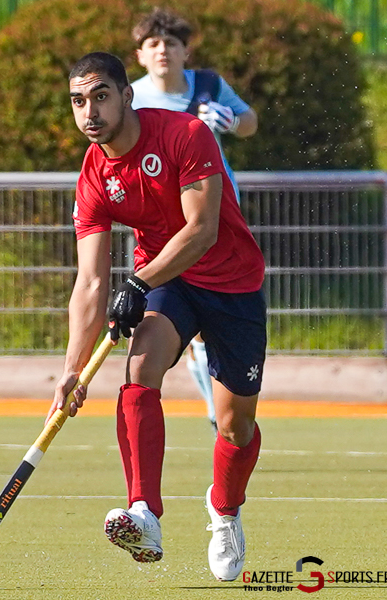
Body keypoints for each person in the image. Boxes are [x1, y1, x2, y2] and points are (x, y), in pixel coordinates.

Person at [54, 51, 266, 581]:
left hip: (233, 283)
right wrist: (73, 370)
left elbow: (202, 229)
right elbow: (90, 281)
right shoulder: (94, 175)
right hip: (171, 284)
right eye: (79, 101)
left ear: (128, 97)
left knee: (236, 426)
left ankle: (224, 507)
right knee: (138, 369)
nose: (90, 112)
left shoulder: (186, 134)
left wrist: (138, 283)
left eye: (100, 96)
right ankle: (145, 513)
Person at [129, 7, 259, 431]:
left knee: (212, 322)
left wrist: (231, 120)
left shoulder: (208, 85)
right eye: (153, 44)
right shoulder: (131, 98)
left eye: (171, 43)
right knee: (169, 319)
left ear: (186, 51)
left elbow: (250, 123)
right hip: (161, 226)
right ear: (141, 55)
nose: (163, 50)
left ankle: (217, 405)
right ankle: (209, 403)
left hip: (215, 220)